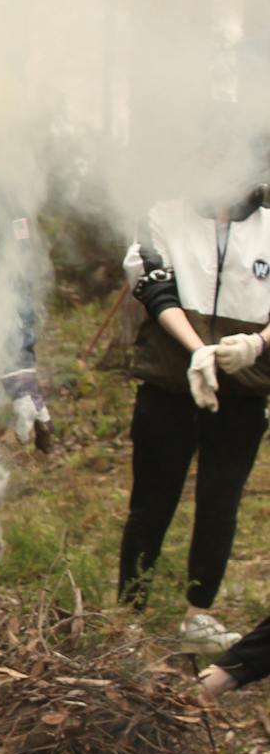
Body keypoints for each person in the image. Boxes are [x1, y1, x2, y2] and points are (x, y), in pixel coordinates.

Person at [119, 183, 270, 648]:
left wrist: (258, 344)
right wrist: (198, 351)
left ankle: (199, 615)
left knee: (220, 503)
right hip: (169, 385)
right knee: (151, 501)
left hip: (243, 392)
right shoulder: (164, 212)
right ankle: (128, 616)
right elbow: (153, 285)